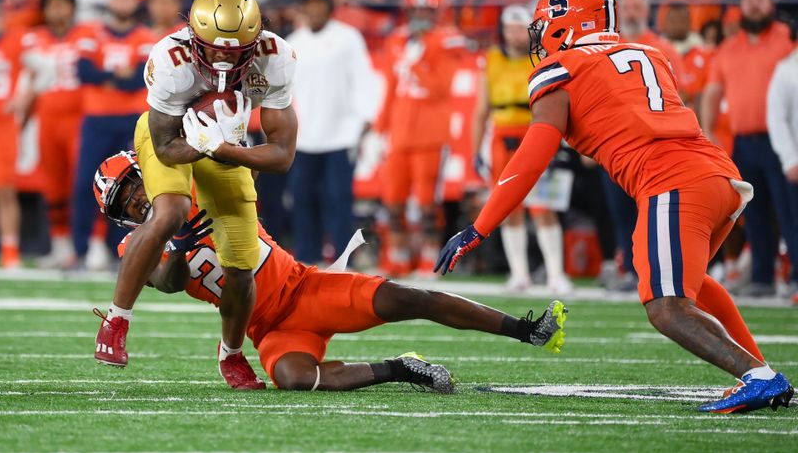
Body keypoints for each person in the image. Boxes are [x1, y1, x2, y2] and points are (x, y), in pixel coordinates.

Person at [436, 0, 794, 414]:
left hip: (671, 181)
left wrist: (478, 228)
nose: (541, 34)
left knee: (666, 307)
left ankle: (759, 377)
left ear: (566, 24)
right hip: (716, 174)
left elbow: (531, 158)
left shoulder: (563, 69)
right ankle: (757, 371)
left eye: (546, 23)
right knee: (691, 286)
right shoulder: (649, 53)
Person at [93, 150, 567, 391]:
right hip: (266, 326)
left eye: (134, 184)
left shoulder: (198, 181)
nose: (136, 198)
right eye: (124, 200)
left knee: (408, 298)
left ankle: (526, 329)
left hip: (304, 287)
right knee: (297, 379)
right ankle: (401, 369)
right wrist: (177, 242)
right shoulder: (135, 244)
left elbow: (246, 169)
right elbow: (169, 282)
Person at [92, 0, 299, 392]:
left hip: (227, 145)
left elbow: (282, 156)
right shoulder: (170, 59)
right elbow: (167, 149)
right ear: (193, 34)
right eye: (214, 48)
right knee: (169, 211)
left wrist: (225, 148)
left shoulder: (277, 58)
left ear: (256, 41)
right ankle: (117, 319)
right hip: (170, 138)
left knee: (241, 263)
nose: (223, 59)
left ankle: (232, 354)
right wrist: (205, 144)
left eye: (234, 50)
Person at [701, 0, 798, 297]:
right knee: (752, 213)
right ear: (740, 7)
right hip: (743, 141)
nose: (755, 6)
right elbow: (713, 91)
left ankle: (795, 274)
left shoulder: (786, 38)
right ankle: (762, 277)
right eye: (749, 1)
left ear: (770, 4)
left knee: (790, 210)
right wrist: (708, 129)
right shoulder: (728, 47)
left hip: (782, 139)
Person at [472, 5, 571, 293]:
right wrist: (476, 150)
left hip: (536, 134)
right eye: (509, 28)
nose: (514, 34)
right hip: (501, 136)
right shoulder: (492, 60)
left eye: (519, 28)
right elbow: (481, 110)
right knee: (507, 206)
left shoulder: (541, 59)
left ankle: (555, 273)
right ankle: (519, 273)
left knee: (544, 207)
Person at [374, 0, 469, 278]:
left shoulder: (447, 40)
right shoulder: (397, 41)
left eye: (426, 9)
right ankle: (399, 256)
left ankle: (431, 258)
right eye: (416, 9)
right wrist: (380, 129)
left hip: (431, 132)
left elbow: (440, 89)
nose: (420, 15)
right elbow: (391, 88)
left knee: (428, 202)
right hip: (400, 131)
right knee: (392, 201)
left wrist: (417, 63)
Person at [286, 0, 378, 264]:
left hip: (341, 134)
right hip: (304, 136)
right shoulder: (293, 41)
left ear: (329, 7)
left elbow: (364, 78)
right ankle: (307, 260)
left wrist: (365, 118)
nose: (314, 10)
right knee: (302, 200)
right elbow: (285, 91)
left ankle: (344, 260)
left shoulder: (347, 38)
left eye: (319, 4)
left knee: (338, 201)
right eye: (309, 4)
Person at [72, 0, 156, 270]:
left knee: (128, 187)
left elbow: (139, 78)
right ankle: (80, 251)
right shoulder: (91, 33)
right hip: (96, 119)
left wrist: (109, 77)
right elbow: (83, 71)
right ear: (110, 0)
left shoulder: (145, 35)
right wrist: (116, 75)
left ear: (135, 0)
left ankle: (116, 251)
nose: (122, 1)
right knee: (84, 184)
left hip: (129, 121)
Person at [9, 0, 94, 269]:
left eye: (62, 4)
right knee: (53, 182)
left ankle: (93, 243)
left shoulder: (87, 34)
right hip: (46, 117)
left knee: (83, 183)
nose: (57, 10)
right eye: (52, 5)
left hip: (79, 116)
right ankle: (60, 244)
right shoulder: (34, 38)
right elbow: (24, 77)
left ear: (72, 7)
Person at [767, 45, 798, 303]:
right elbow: (777, 118)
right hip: (796, 159)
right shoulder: (787, 69)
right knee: (793, 223)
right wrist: (790, 159)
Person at [0, 0, 23, 268]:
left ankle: (10, 250)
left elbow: (44, 69)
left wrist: (24, 97)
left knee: (5, 189)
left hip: (4, 122)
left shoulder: (18, 41)